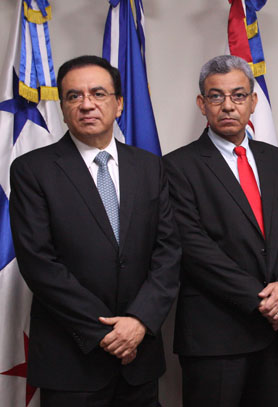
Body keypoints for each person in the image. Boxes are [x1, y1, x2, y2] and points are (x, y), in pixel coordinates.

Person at [9, 55, 181, 406]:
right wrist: (107, 333)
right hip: (71, 360)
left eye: (98, 93)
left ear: (119, 104)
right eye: (73, 96)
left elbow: (168, 252)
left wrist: (139, 322)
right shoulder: (32, 170)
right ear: (62, 107)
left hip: (140, 357)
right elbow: (39, 263)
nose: (86, 104)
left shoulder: (150, 167)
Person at [163, 55, 278, 407]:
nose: (228, 105)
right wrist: (264, 301)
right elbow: (194, 248)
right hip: (216, 335)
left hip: (275, 332)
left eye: (239, 95)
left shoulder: (276, 159)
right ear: (202, 104)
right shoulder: (177, 166)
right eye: (216, 96)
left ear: (253, 102)